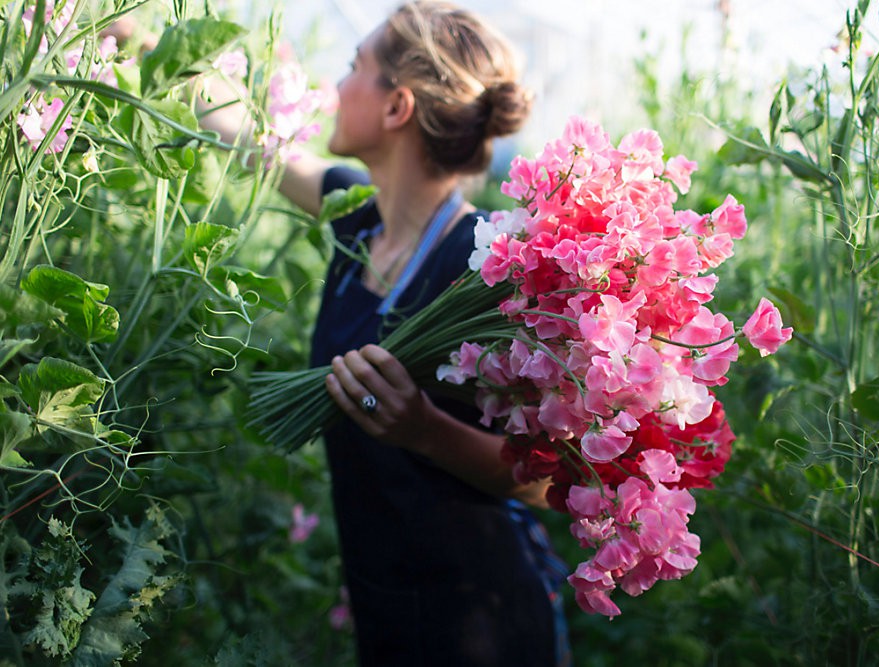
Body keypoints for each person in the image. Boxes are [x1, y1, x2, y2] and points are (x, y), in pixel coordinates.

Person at [131, 2, 570, 664]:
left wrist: (423, 429)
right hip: (385, 599)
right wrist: (142, 43)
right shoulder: (358, 218)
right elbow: (251, 143)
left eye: (352, 66)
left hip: (482, 619)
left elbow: (550, 479)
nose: (336, 86)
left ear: (396, 106)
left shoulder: (483, 266)